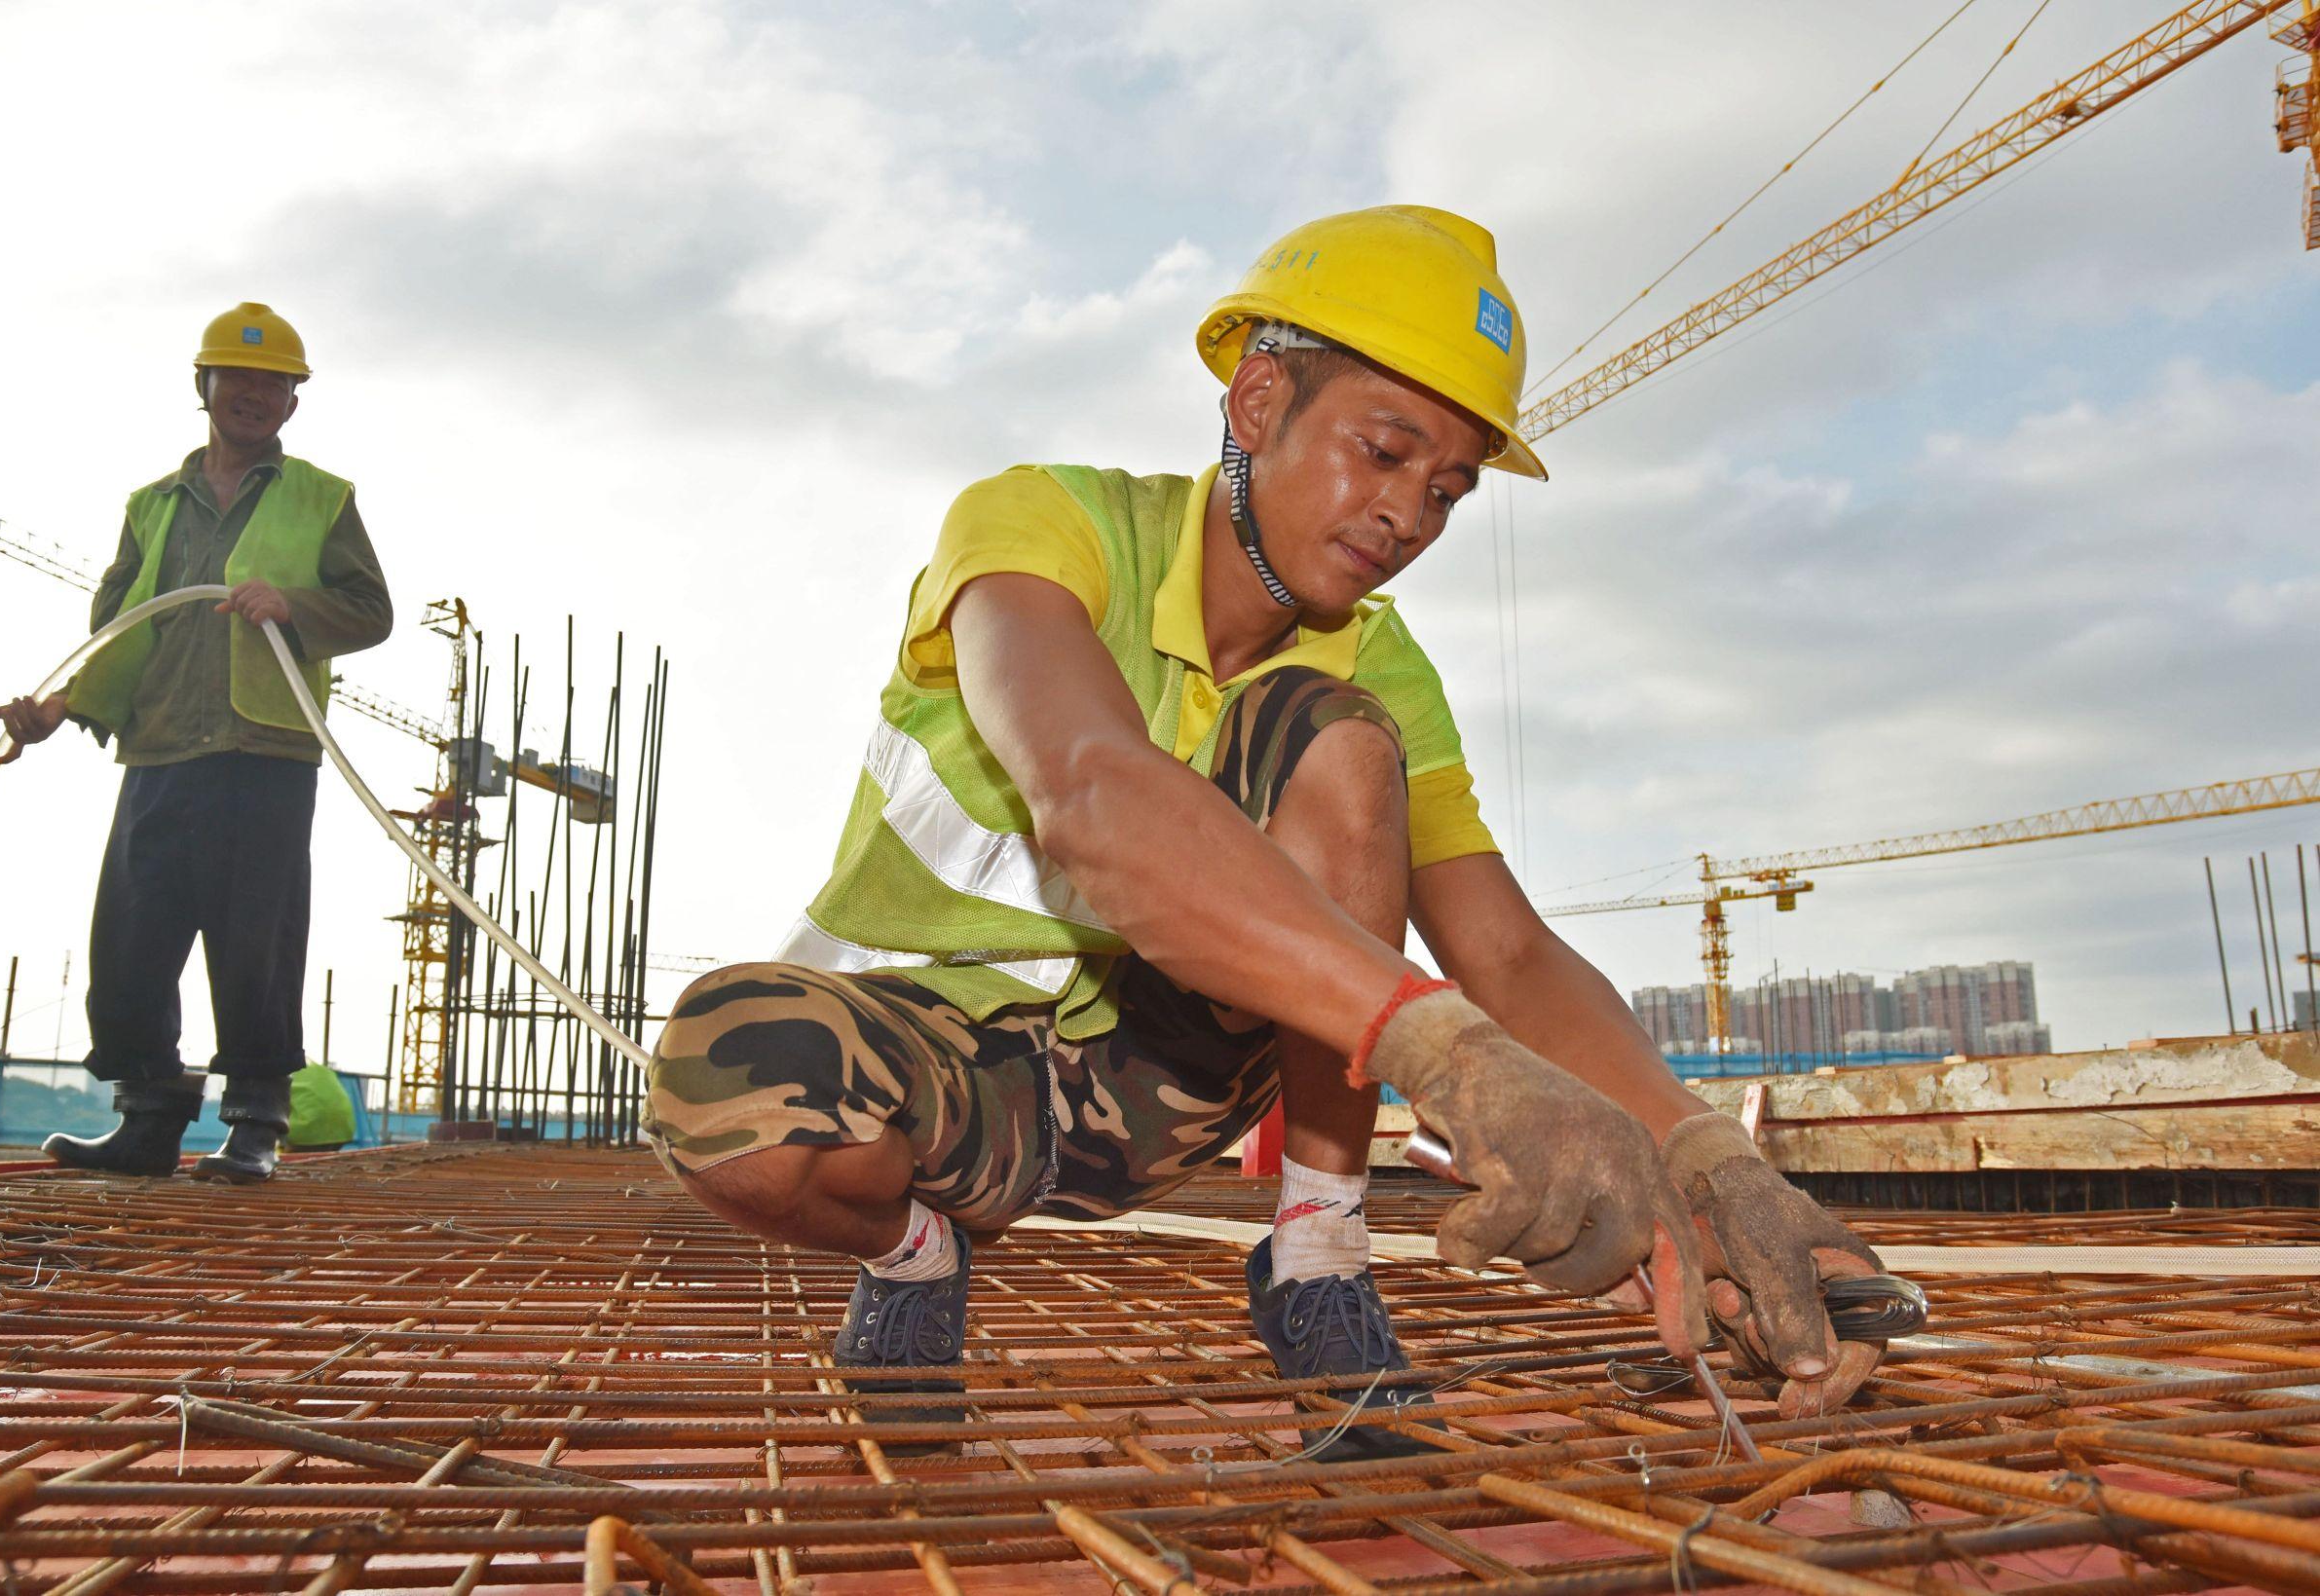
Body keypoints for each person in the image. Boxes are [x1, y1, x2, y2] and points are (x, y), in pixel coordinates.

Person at [645, 207, 1882, 1459]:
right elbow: (1089, 794)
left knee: (1335, 732)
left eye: (1445, 490)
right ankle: (915, 1258)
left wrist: (1708, 1152)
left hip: (1156, 1077)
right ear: (1256, 401)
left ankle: (1317, 1254)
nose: (1409, 515)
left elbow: (1503, 953)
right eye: (1384, 452)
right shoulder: (1041, 530)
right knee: (732, 1072)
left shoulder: (1378, 666)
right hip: (937, 1080)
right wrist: (1438, 1048)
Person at [0, 303, 393, 1184]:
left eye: (272, 383)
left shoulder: (323, 498)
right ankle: (146, 1120)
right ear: (202, 387)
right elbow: (124, 630)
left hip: (265, 750)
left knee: (256, 938)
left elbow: (372, 612)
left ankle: (253, 1124)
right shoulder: (149, 507)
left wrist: (294, 606)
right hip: (162, 746)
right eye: (235, 378)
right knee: (132, 939)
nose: (252, 394)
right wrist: (60, 707)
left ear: (293, 403)